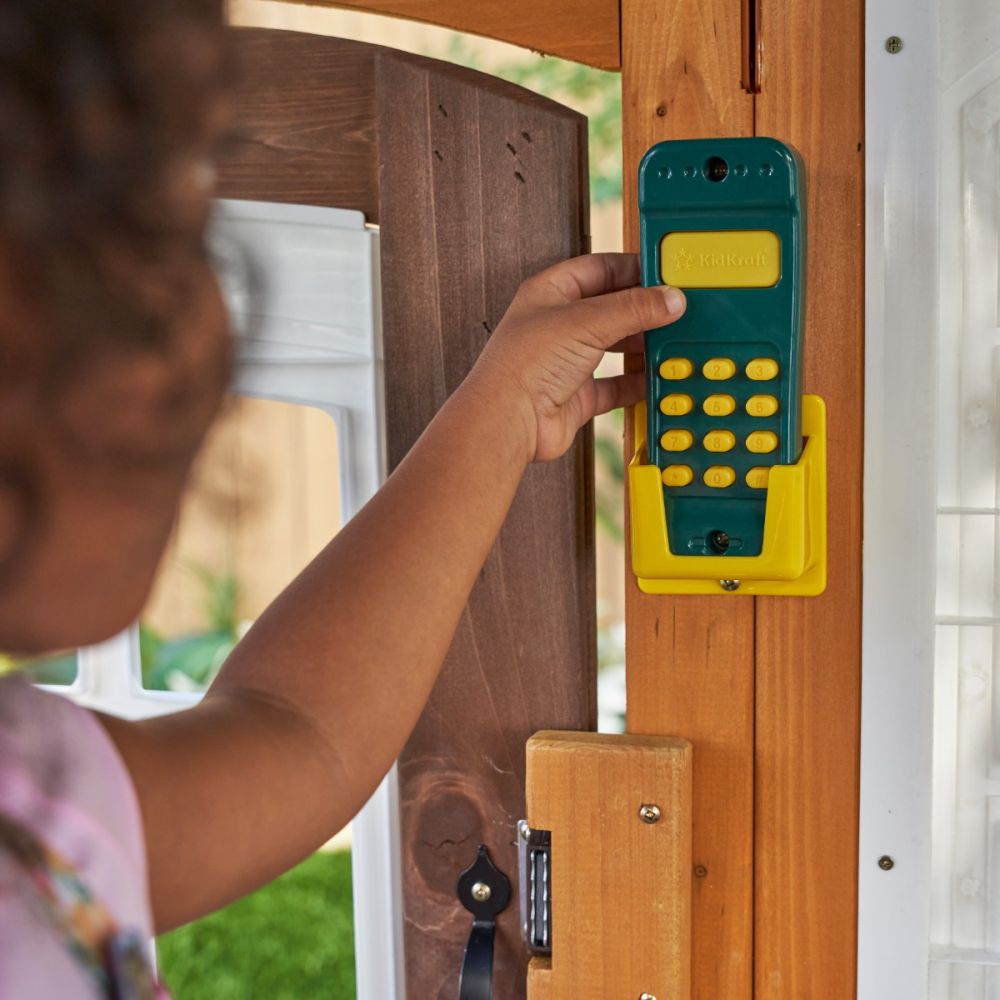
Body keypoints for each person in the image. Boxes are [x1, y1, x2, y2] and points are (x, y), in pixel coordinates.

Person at [0, 0, 687, 995]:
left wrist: (499, 414)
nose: (206, 306)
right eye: (150, 236)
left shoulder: (31, 788)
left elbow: (297, 731)